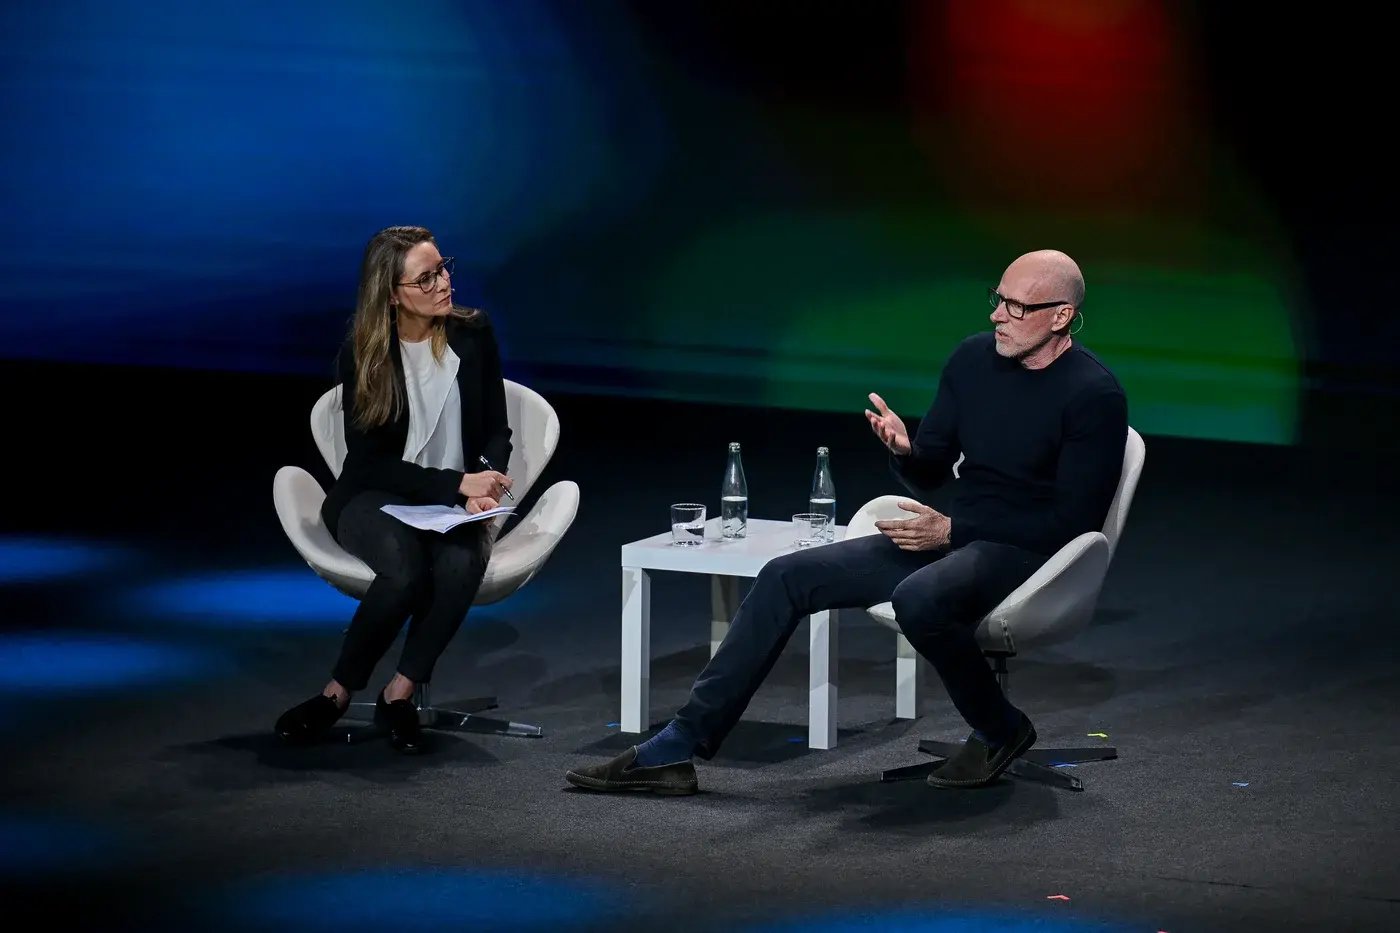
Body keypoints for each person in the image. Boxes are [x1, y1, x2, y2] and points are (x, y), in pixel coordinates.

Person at [566, 249, 1127, 793]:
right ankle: (676, 748)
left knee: (919, 598)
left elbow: (1073, 523)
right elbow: (931, 470)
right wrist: (906, 450)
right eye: (997, 299)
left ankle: (1001, 727)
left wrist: (955, 533)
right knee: (786, 575)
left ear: (1062, 317)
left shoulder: (1093, 395)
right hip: (952, 531)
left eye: (1017, 307)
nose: (997, 315)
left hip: (1022, 550)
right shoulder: (973, 359)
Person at [275, 225, 514, 754]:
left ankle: (399, 694)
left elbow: (497, 428)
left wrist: (485, 481)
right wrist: (456, 483)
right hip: (370, 498)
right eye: (424, 279)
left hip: (455, 502)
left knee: (458, 561)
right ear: (391, 293)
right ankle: (336, 694)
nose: (442, 283)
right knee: (404, 571)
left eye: (442, 268)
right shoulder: (365, 355)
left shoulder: (473, 334)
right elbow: (368, 466)